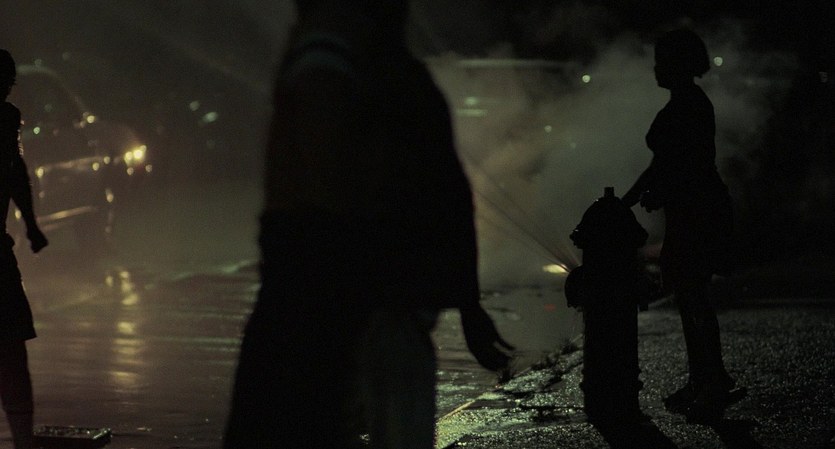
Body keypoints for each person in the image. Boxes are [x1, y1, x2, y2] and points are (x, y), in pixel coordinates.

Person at [222, 1, 513, 448]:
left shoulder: (328, 60)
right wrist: (467, 303)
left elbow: (325, 192)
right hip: (378, 306)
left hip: (326, 304)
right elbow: (453, 196)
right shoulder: (402, 78)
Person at [622, 29, 737, 422]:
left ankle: (712, 381)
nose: (655, 69)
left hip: (697, 210)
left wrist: (652, 193)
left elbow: (687, 164)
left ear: (677, 64)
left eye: (661, 62)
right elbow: (663, 165)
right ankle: (704, 378)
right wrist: (630, 198)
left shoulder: (689, 106)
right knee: (690, 295)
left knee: (693, 295)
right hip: (693, 208)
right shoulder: (686, 103)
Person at [0, 49, 49, 449]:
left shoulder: (7, 119)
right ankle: (23, 441)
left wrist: (32, 226)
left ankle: (23, 440)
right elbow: (17, 176)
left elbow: (17, 175)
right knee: (11, 350)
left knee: (11, 349)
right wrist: (31, 226)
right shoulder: (6, 119)